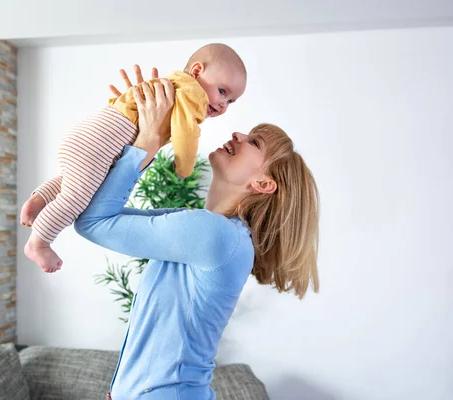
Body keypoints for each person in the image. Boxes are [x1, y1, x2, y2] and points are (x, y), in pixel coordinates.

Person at [73, 67, 320, 400]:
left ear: (263, 184)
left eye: (254, 142)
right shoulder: (211, 230)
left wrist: (147, 139)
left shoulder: (215, 235)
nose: (237, 135)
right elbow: (99, 215)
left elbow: (93, 221)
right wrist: (138, 131)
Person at [20, 43, 247, 273]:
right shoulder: (193, 94)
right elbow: (186, 131)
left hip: (92, 134)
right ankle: (38, 243)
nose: (223, 104)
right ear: (197, 71)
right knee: (76, 198)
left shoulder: (170, 84)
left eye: (230, 101)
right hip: (101, 143)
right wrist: (184, 166)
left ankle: (38, 201)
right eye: (222, 91)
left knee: (72, 182)